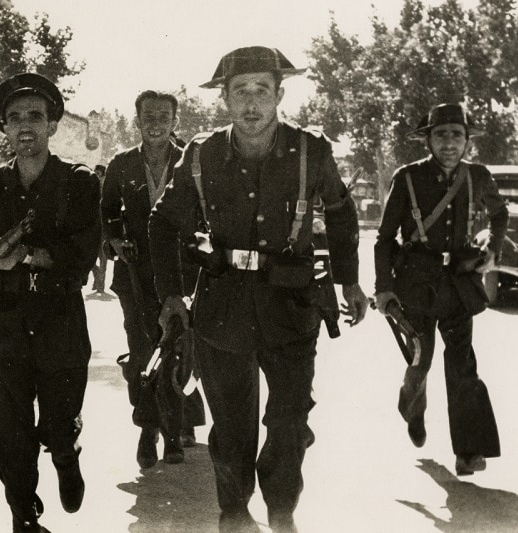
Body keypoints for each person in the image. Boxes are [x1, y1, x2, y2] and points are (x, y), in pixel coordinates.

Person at [149, 46, 369, 533]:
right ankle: (233, 513)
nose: (251, 103)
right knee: (230, 427)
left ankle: (282, 509)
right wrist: (170, 294)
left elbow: (340, 211)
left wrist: (348, 279)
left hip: (290, 303)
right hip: (222, 304)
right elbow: (162, 222)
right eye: (240, 92)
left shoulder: (311, 150)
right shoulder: (201, 154)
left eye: (262, 92)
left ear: (279, 96)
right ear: (224, 99)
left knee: (290, 424)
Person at [0, 73, 101, 533]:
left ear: (52, 125)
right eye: (14, 119)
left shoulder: (78, 183)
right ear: (3, 129)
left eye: (35, 117)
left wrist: (26, 255)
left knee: (58, 423)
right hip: (7, 322)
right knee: (9, 434)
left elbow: (82, 258)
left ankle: (66, 456)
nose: (24, 126)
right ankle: (23, 517)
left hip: (60, 320)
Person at [373, 103, 509, 476]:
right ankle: (413, 407)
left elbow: (500, 213)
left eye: (457, 135)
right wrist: (384, 289)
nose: (450, 143)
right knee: (421, 359)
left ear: (468, 141)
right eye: (441, 135)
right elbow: (384, 239)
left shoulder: (478, 176)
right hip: (415, 282)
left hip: (459, 283)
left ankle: (468, 450)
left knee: (462, 364)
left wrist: (493, 249)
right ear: (428, 140)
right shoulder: (407, 178)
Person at [101, 90, 206, 469]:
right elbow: (108, 210)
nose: (156, 123)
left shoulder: (193, 163)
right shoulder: (121, 164)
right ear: (137, 120)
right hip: (135, 274)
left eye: (164, 116)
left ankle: (177, 429)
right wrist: (114, 236)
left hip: (182, 275)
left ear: (175, 121)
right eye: (149, 116)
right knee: (143, 349)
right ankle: (148, 428)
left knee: (178, 349)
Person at [90, 164, 108, 293]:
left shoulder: (107, 185)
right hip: (93, 222)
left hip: (104, 223)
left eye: (98, 172)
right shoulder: (90, 184)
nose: (96, 174)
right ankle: (98, 276)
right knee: (92, 253)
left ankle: (100, 281)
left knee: (103, 254)